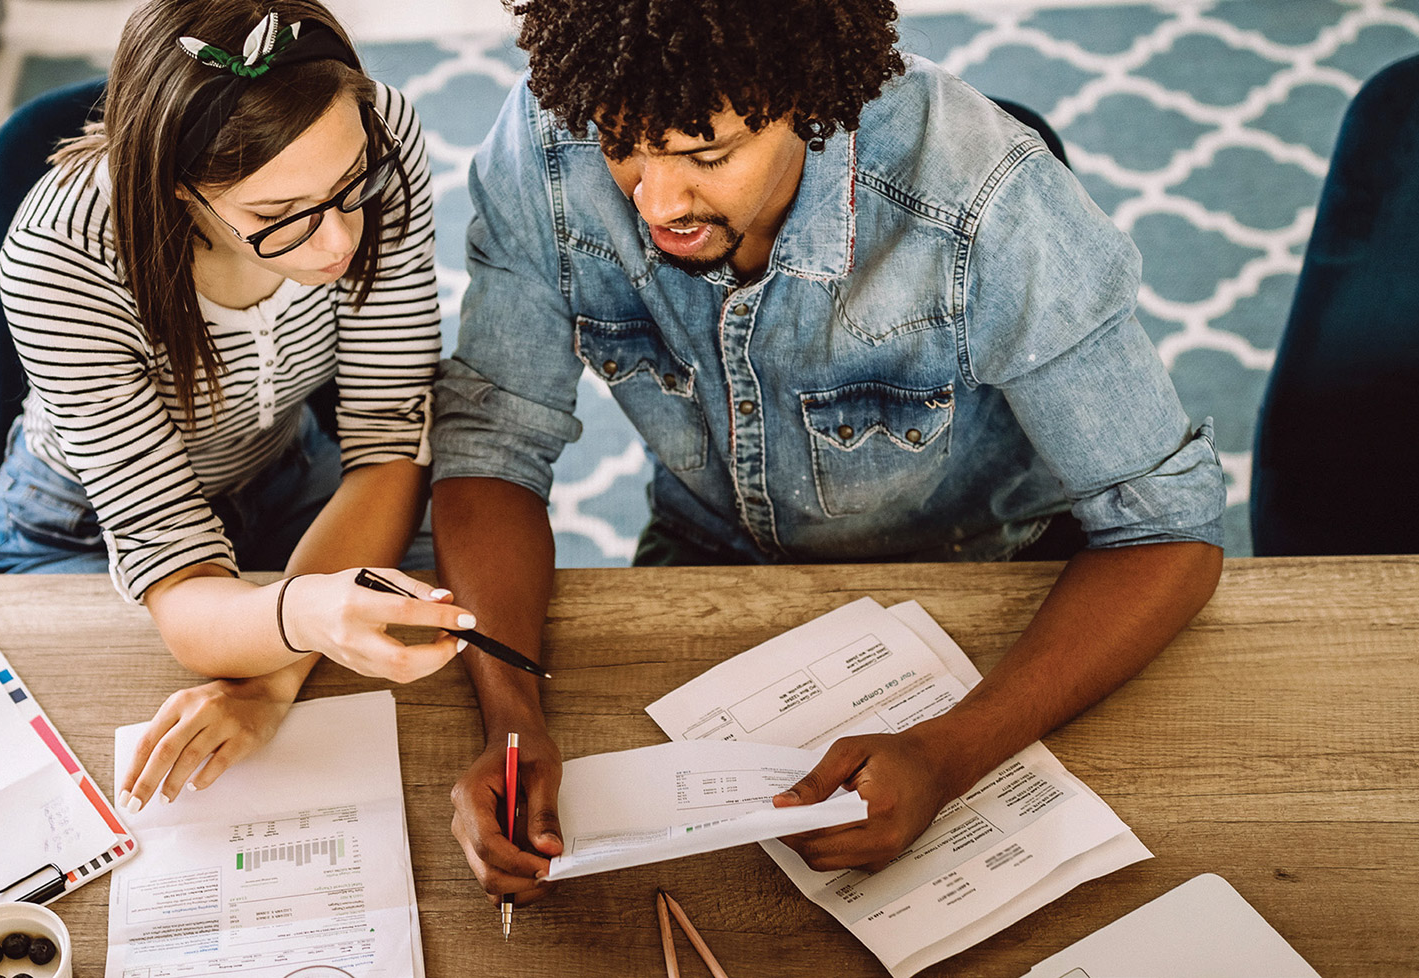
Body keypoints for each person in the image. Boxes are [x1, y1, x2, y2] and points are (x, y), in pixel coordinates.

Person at [431, 0, 1227, 904]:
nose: (656, 204)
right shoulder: (547, 140)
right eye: (624, 147)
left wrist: (947, 753)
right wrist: (511, 721)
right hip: (704, 557)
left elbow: (1169, 531)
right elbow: (491, 445)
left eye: (706, 155)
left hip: (987, 578)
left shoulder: (989, 202)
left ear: (809, 96)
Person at [0, 0, 468, 812]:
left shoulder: (382, 133)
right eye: (279, 218)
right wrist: (307, 619)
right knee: (71, 787)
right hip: (81, 528)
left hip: (293, 470)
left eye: (352, 189)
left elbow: (387, 443)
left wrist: (272, 683)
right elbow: (180, 578)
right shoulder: (58, 256)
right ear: (176, 190)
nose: (340, 242)